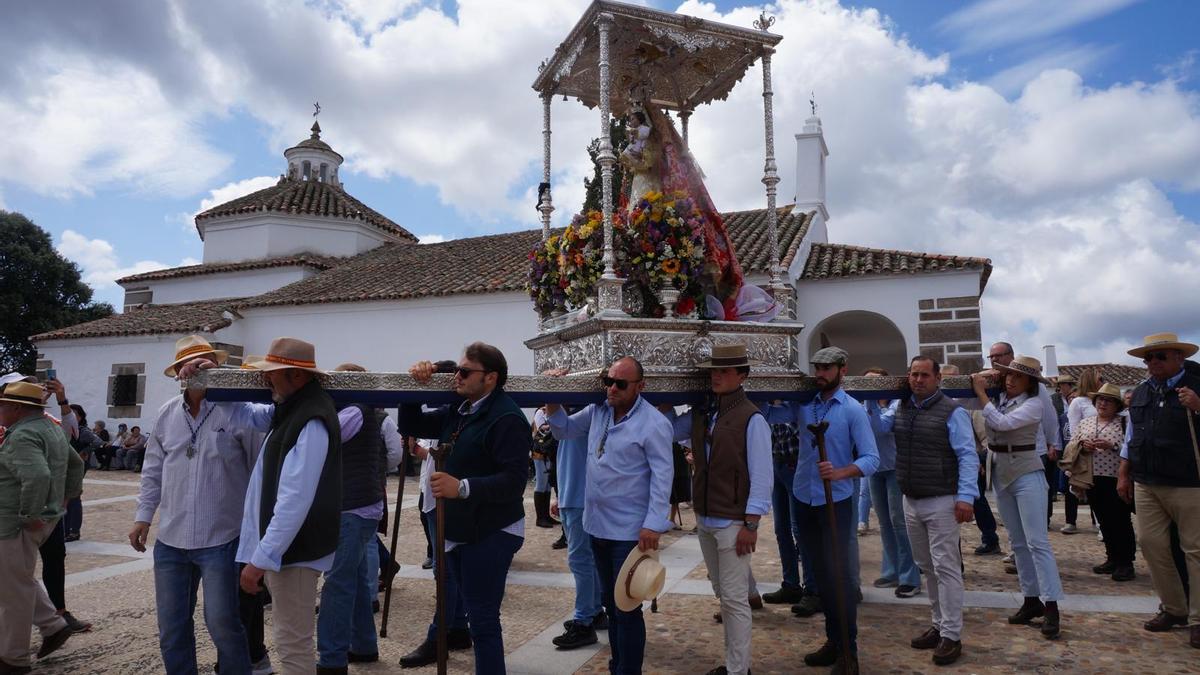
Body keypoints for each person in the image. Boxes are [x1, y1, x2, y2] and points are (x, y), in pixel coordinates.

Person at [130, 336, 268, 675]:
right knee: (172, 628)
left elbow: (258, 469)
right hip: (171, 541)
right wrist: (143, 517)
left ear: (217, 366)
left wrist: (257, 534)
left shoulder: (238, 412)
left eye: (205, 362)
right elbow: (153, 470)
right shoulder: (165, 415)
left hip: (222, 538)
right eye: (188, 364)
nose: (195, 369)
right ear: (177, 372)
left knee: (224, 625)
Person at [399, 343, 528, 673]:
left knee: (483, 620)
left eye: (465, 371)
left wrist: (463, 487)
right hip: (459, 529)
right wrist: (416, 385)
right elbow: (412, 424)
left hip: (490, 531)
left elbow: (514, 480)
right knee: (470, 610)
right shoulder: (461, 409)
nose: (456, 376)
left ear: (490, 378)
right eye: (457, 370)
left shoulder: (508, 417)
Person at [547, 356, 673, 672]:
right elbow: (562, 430)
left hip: (630, 533)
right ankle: (619, 665)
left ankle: (628, 670)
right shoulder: (598, 412)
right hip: (596, 527)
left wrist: (654, 524)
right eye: (609, 381)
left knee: (627, 607)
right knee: (610, 605)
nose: (612, 388)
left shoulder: (653, 423)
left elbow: (662, 476)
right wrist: (552, 392)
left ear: (640, 387)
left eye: (620, 383)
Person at [230, 337, 343, 675]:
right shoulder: (294, 410)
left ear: (297, 376)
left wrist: (261, 558)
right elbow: (239, 413)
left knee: (293, 644)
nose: (267, 379)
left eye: (273, 373)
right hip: (288, 551)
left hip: (294, 552)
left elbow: (295, 500)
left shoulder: (310, 418)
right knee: (292, 641)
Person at [667, 345, 770, 675]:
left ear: (742, 376)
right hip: (707, 517)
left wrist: (750, 524)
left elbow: (762, 475)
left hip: (733, 521)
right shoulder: (701, 413)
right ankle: (734, 664)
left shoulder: (751, 418)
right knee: (723, 594)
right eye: (714, 370)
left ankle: (739, 670)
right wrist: (662, 392)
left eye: (724, 371)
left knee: (736, 600)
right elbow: (666, 430)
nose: (717, 376)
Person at [776, 346, 880, 674]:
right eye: (817, 367)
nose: (820, 373)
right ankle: (832, 642)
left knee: (840, 579)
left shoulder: (852, 410)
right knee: (820, 578)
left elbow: (871, 458)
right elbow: (770, 416)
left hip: (835, 501)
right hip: (804, 499)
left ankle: (850, 652)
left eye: (826, 368)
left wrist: (840, 471)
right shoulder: (806, 406)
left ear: (841, 369)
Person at [876, 356, 978, 665]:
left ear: (937, 379)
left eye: (924, 375)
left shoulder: (953, 411)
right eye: (913, 375)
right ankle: (938, 624)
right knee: (927, 566)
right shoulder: (901, 407)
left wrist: (966, 497)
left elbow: (967, 455)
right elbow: (876, 428)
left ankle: (952, 634)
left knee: (946, 566)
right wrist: (868, 399)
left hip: (942, 499)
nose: (918, 380)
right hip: (912, 498)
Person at [970, 355, 1065, 639]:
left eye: (1017, 376)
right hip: (1001, 472)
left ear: (1030, 382)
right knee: (1018, 543)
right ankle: (1030, 599)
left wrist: (981, 392)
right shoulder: (1001, 398)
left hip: (1026, 472)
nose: (1010, 379)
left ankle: (1051, 606)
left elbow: (1003, 423)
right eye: (1007, 375)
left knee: (1038, 542)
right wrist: (990, 377)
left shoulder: (1034, 403)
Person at [1117, 332, 1200, 648]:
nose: (1152, 363)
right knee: (1151, 544)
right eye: (1148, 358)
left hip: (1189, 481)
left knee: (1195, 551)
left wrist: (1199, 405)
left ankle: (1199, 617)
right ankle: (1174, 608)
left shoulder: (1197, 384)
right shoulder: (1140, 393)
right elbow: (1131, 437)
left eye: (1160, 356)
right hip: (1147, 481)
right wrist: (1124, 474)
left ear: (1179, 357)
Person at [314, 363, 395, 672]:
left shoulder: (355, 411)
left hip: (353, 508)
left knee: (337, 584)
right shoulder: (361, 410)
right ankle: (363, 645)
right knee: (357, 582)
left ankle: (331, 659)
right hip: (361, 506)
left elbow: (323, 434)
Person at [0, 380, 83, 671]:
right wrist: (64, 500)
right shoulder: (50, 428)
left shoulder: (23, 435)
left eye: (2, 404)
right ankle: (53, 626)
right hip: (41, 519)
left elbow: (36, 477)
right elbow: (76, 465)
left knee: (13, 592)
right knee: (17, 580)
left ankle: (13, 658)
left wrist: (29, 513)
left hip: (13, 523)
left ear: (16, 408)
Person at [546, 406, 605, 650]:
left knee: (580, 561)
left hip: (580, 497)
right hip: (574, 495)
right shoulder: (583, 416)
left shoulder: (587, 416)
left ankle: (584, 622)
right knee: (586, 561)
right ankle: (593, 610)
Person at [862, 369, 921, 599]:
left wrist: (868, 400)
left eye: (874, 384)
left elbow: (880, 427)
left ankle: (910, 576)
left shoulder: (897, 404)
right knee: (885, 523)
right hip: (875, 469)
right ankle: (891, 570)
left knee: (900, 523)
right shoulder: (864, 406)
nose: (870, 388)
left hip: (895, 468)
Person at [987, 343, 1061, 528]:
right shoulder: (997, 384)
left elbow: (1049, 416)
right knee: (1011, 513)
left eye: (999, 355)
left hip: (1032, 449)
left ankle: (1040, 523)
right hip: (1002, 456)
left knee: (1032, 504)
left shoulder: (1035, 392)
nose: (994, 359)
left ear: (1010, 355)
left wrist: (1054, 443)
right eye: (991, 356)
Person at [1076, 383, 1136, 582]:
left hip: (1116, 477)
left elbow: (1132, 447)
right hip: (1092, 478)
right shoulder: (1086, 422)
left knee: (1120, 520)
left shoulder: (1124, 423)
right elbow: (1073, 444)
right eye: (1100, 399)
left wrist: (1113, 445)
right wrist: (1083, 445)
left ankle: (1126, 562)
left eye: (1108, 400)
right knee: (1104, 520)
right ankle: (1112, 557)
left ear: (1117, 405)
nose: (1103, 403)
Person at [945, 364, 1002, 556]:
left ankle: (990, 537)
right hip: (947, 462)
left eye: (952, 378)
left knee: (976, 500)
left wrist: (981, 461)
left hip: (970, 459)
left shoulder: (968, 403)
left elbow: (983, 435)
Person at [759, 411, 809, 607]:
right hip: (777, 464)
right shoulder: (771, 406)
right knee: (781, 529)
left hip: (796, 464)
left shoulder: (795, 403)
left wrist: (776, 410)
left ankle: (811, 588)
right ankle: (791, 585)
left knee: (800, 530)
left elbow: (794, 431)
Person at [1061, 368, 1100, 534]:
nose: (1102, 381)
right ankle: (1071, 521)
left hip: (1101, 451)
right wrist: (1082, 444)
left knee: (1098, 489)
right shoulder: (1078, 402)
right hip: (1083, 450)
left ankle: (1100, 524)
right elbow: (1074, 428)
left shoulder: (1100, 400)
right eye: (1100, 378)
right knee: (1076, 484)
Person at [530, 407, 559, 529]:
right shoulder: (540, 412)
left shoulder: (547, 410)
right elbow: (542, 428)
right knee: (541, 484)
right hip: (540, 452)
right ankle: (540, 518)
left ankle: (546, 516)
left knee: (547, 486)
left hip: (548, 451)